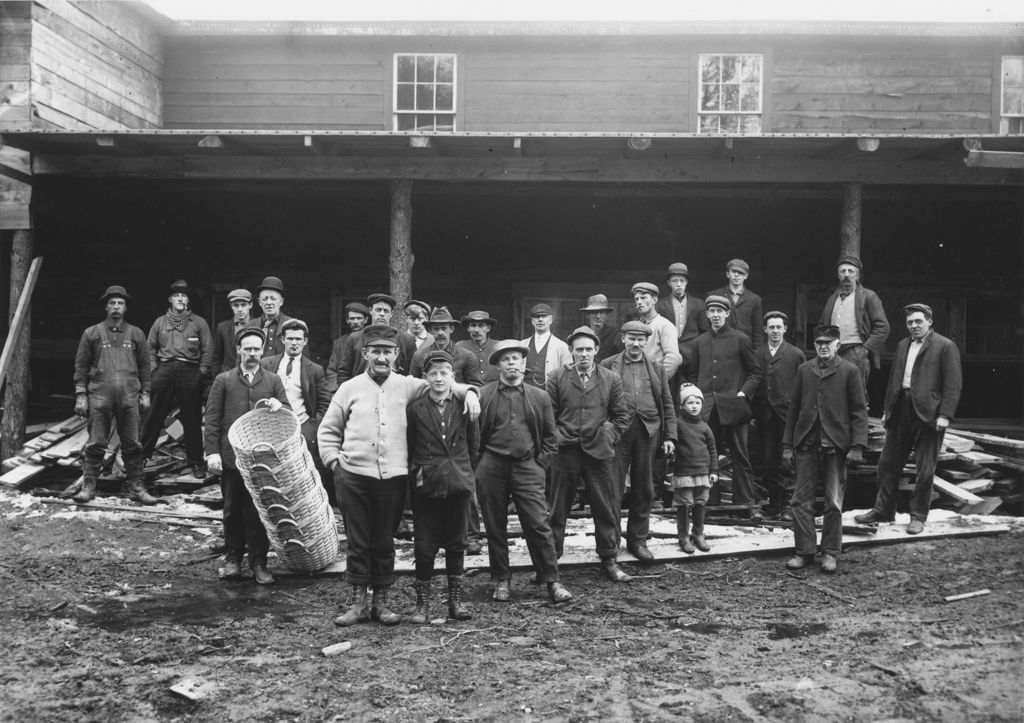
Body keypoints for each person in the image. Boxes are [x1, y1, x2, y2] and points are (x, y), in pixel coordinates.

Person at [318, 325, 480, 627]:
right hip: (353, 476)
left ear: (396, 355)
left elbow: (441, 384)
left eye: (387, 352)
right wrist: (334, 463)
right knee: (358, 540)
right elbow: (328, 429)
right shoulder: (349, 388)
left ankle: (381, 603)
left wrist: (468, 391)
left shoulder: (407, 385)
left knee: (383, 540)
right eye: (376, 352)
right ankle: (359, 603)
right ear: (365, 354)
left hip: (392, 479)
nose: (381, 357)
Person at [476, 340, 572, 604]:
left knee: (538, 524)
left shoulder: (538, 396)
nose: (511, 363)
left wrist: (540, 465)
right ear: (497, 365)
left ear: (523, 363)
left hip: (528, 466)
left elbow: (551, 438)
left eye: (516, 358)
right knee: (495, 525)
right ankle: (502, 579)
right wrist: (480, 464)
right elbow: (473, 436)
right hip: (492, 466)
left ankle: (551, 580)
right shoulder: (485, 395)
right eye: (505, 359)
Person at [856, 304, 962, 535]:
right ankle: (883, 510)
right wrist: (887, 410)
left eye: (918, 322)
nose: (914, 326)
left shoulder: (945, 346)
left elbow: (953, 385)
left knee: (924, 469)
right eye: (910, 323)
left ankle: (918, 516)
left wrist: (944, 415)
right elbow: (894, 380)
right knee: (886, 464)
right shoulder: (903, 345)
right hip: (900, 410)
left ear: (929, 321)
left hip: (929, 414)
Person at [204, 327, 288, 585]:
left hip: (261, 463)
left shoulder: (272, 380)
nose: (252, 353)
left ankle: (259, 563)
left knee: (259, 512)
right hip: (232, 460)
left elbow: (288, 412)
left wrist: (279, 406)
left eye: (256, 349)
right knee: (231, 510)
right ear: (238, 350)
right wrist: (213, 454)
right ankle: (232, 560)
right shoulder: (224, 380)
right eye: (247, 348)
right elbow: (212, 419)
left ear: (263, 351)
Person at [546, 326, 630, 581]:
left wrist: (608, 434)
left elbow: (622, 417)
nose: (583, 354)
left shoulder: (610, 378)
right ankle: (550, 563)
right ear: (571, 352)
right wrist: (559, 436)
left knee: (605, 507)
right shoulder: (557, 377)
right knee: (558, 509)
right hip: (566, 452)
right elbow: (547, 415)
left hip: (598, 452)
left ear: (596, 351)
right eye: (578, 349)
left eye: (588, 349)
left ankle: (609, 559)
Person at [783, 325, 868, 574]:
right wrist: (788, 445)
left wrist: (857, 446)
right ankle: (805, 551)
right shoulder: (804, 370)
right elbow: (794, 409)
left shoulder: (850, 371)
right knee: (800, 501)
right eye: (819, 342)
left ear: (838, 344)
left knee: (833, 501)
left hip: (836, 445)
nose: (823, 346)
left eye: (828, 343)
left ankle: (830, 552)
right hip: (807, 444)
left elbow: (858, 411)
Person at [405, 350, 480, 623]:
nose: (439, 379)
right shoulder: (414, 409)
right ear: (425, 377)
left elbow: (474, 446)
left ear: (453, 376)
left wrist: (460, 471)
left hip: (458, 483)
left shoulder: (464, 405)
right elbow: (410, 446)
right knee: (424, 546)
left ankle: (455, 602)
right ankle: (422, 605)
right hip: (426, 485)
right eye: (433, 373)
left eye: (444, 373)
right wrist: (421, 473)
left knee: (457, 543)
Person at [600, 320, 676, 562]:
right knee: (613, 488)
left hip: (648, 431)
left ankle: (638, 541)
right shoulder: (607, 365)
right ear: (623, 339)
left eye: (640, 339)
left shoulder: (656, 367)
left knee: (645, 487)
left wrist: (670, 436)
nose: (635, 343)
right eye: (631, 338)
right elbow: (600, 403)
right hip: (618, 434)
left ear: (646, 342)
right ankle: (611, 542)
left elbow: (667, 403)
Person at [72, 285, 155, 505]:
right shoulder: (91, 333)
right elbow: (80, 367)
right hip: (100, 395)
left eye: (120, 303)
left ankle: (137, 488)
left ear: (126, 308)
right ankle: (88, 488)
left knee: (133, 444)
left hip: (129, 396)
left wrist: (145, 393)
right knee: (96, 443)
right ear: (106, 307)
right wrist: (81, 394)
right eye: (112, 303)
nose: (116, 307)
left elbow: (145, 367)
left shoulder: (136, 333)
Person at [685, 295, 763, 516]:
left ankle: (745, 504)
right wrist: (697, 394)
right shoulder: (699, 342)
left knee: (741, 455)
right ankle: (710, 504)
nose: (716, 315)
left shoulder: (741, 339)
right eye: (712, 311)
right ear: (707, 314)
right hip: (708, 408)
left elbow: (755, 372)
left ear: (727, 314)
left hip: (735, 407)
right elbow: (692, 372)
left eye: (720, 311)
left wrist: (742, 393)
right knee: (708, 455)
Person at [140, 279, 213, 479]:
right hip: (164, 369)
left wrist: (201, 373)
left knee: (192, 418)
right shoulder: (160, 322)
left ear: (188, 300)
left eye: (184, 296)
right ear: (171, 299)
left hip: (190, 370)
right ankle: (142, 457)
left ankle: (196, 462)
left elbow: (208, 350)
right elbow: (149, 349)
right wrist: (155, 371)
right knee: (154, 415)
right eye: (177, 296)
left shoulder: (198, 322)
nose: (181, 299)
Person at [260, 319, 333, 503]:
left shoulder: (314, 369)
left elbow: (324, 403)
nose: (294, 343)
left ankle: (305, 505)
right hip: (273, 426)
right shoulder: (267, 364)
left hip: (302, 424)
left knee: (304, 471)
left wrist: (312, 427)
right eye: (290, 338)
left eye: (298, 339)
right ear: (282, 340)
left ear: (305, 342)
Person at [753, 311, 806, 520]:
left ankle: (788, 506)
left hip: (787, 417)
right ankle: (771, 504)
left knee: (788, 461)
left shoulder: (795, 354)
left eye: (779, 327)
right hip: (765, 417)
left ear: (785, 329)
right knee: (767, 461)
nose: (775, 331)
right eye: (771, 327)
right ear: (765, 330)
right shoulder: (757, 354)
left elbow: (803, 386)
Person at [818, 255, 890, 393]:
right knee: (831, 393)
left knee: (854, 395)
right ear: (838, 275)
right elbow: (822, 325)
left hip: (856, 353)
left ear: (857, 275)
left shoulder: (868, 296)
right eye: (842, 271)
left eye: (851, 271)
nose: (846, 275)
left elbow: (883, 327)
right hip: (832, 352)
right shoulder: (832, 299)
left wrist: (866, 348)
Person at [671, 384, 718, 554]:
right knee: (684, 504)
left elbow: (713, 450)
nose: (694, 406)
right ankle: (683, 537)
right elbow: (671, 446)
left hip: (703, 474)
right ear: (682, 405)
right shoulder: (677, 424)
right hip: (684, 473)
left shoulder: (705, 427)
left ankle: (698, 534)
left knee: (700, 503)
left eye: (698, 403)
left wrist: (713, 471)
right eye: (690, 403)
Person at [335, 293, 418, 383]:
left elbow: (413, 373)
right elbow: (344, 372)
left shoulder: (406, 339)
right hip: (362, 391)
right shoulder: (355, 338)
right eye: (378, 310)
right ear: (371, 311)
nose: (382, 314)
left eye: (386, 311)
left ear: (391, 314)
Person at [410, 306, 478, 384]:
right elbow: (412, 385)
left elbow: (476, 387)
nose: (440, 333)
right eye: (436, 329)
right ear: (431, 330)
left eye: (444, 328)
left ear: (451, 329)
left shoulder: (467, 356)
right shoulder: (419, 355)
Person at [707, 259, 765, 348]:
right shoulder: (714, 295)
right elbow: (707, 326)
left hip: (745, 348)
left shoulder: (754, 299)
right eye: (734, 271)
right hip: (720, 346)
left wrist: (757, 354)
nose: (737, 275)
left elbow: (758, 331)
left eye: (741, 273)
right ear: (727, 274)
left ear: (746, 276)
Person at [630, 282, 682, 380]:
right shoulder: (636, 326)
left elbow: (673, 358)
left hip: (654, 384)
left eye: (643, 298)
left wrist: (658, 382)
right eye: (637, 299)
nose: (639, 302)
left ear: (654, 300)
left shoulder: (664, 325)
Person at [656, 262, 707, 351]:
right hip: (668, 351)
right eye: (675, 281)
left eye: (682, 281)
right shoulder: (660, 305)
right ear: (669, 282)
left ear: (686, 282)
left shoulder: (699, 304)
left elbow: (704, 331)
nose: (679, 284)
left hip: (692, 352)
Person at [521, 303, 571, 389]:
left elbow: (567, 377)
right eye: (536, 317)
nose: (540, 319)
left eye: (544, 316)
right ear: (532, 321)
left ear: (551, 320)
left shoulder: (562, 347)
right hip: (524, 396)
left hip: (548, 397)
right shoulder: (521, 345)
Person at [326, 301, 371, 392]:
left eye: (359, 318)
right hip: (344, 388)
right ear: (347, 320)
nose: (355, 322)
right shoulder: (339, 343)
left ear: (365, 320)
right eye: (352, 318)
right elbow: (332, 370)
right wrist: (337, 390)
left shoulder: (371, 339)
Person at [253, 276, 301, 359]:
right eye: (265, 299)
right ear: (260, 302)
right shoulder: (250, 326)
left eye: (273, 298)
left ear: (281, 301)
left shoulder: (294, 325)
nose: (268, 302)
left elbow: (303, 361)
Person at [212, 288, 254, 374]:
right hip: (228, 376)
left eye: (243, 305)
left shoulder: (258, 325)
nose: (240, 309)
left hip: (251, 376)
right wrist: (217, 378)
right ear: (231, 306)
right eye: (236, 305)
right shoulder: (222, 327)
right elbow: (216, 356)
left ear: (250, 305)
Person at [456, 310, 500, 386]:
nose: (476, 330)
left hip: (494, 392)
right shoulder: (460, 346)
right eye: (473, 325)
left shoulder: (498, 346)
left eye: (481, 325)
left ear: (488, 328)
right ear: (468, 328)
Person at [580, 294, 621, 362]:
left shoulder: (615, 335)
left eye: (602, 312)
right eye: (594, 312)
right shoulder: (580, 334)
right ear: (587, 315)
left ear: (606, 315)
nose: (598, 316)